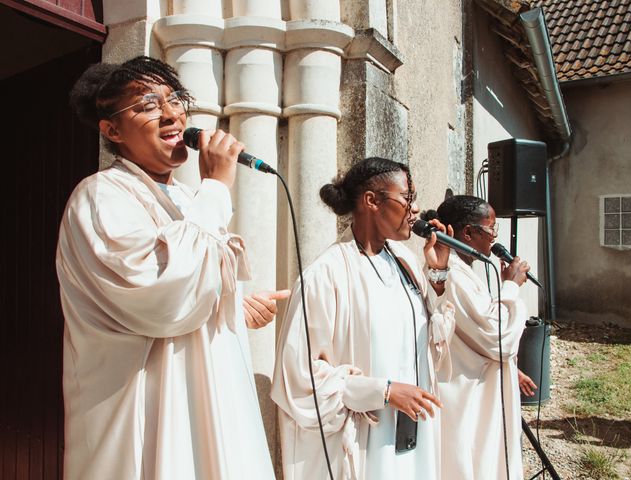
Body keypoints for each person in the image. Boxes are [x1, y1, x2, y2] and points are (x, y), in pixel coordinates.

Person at [56, 55, 288, 479]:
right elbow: (159, 294)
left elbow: (188, 288)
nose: (172, 113)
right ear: (111, 130)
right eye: (147, 105)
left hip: (216, 406)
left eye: (177, 99)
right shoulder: (100, 196)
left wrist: (232, 305)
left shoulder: (186, 200)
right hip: (150, 413)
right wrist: (216, 187)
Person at [271, 157, 455, 479]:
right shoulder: (325, 276)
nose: (415, 209)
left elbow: (432, 340)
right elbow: (298, 376)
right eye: (407, 197)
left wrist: (437, 274)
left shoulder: (406, 262)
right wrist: (382, 391)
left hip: (413, 434)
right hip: (366, 441)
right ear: (371, 201)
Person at [429, 195, 530, 480]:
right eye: (492, 230)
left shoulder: (466, 271)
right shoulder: (451, 275)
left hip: (482, 384)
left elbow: (478, 332)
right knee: (472, 463)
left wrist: (513, 369)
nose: (494, 240)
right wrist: (510, 286)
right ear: (468, 232)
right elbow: (495, 338)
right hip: (465, 391)